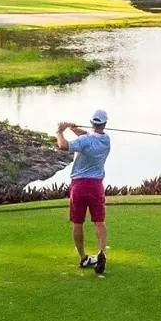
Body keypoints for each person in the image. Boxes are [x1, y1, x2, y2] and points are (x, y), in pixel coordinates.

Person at [56, 110, 111, 276]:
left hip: (79, 186)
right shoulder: (106, 140)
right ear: (105, 123)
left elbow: (63, 146)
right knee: (99, 222)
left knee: (78, 222)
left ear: (92, 122)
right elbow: (88, 136)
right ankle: (101, 253)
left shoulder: (84, 141)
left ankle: (83, 258)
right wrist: (73, 128)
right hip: (96, 186)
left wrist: (59, 132)